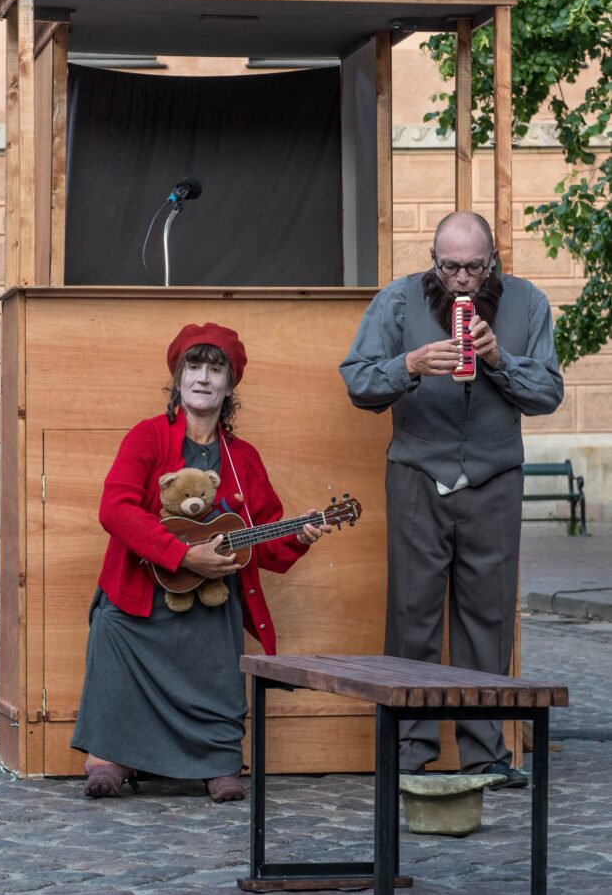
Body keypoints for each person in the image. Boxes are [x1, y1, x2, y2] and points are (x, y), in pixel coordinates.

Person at [339, 212, 563, 788]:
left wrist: (498, 360)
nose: (461, 278)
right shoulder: (396, 301)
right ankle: (409, 752)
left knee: (487, 617)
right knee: (412, 612)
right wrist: (408, 365)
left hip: (493, 476)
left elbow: (548, 393)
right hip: (418, 471)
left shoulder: (528, 302)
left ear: (492, 261)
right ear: (433, 259)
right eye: (449, 266)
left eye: (473, 266)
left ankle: (485, 754)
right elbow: (358, 382)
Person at [72, 322, 330, 802]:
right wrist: (184, 554)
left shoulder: (243, 459)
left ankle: (217, 763)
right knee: (113, 634)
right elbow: (115, 509)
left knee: (217, 657)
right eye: (194, 366)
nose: (204, 377)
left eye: (216, 368)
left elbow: (264, 541)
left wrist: (300, 535)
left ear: (230, 384)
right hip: (142, 597)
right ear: (178, 376)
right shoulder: (147, 438)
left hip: (210, 607)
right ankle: (111, 758)